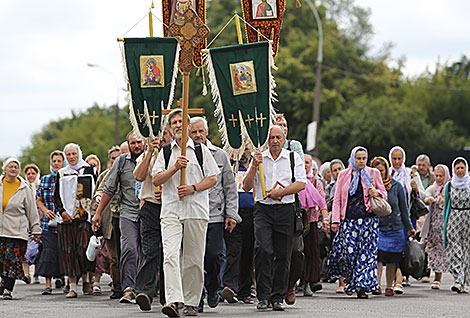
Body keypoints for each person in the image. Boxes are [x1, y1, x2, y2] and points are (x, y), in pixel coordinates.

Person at [152, 109, 219, 317]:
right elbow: (156, 179)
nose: (178, 125)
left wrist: (193, 188)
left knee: (193, 259)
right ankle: (173, 300)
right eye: (174, 122)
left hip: (196, 210)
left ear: (189, 126)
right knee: (170, 255)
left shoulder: (200, 150)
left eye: (182, 121)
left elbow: (213, 178)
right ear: (170, 128)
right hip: (171, 210)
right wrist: (174, 168)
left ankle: (191, 301)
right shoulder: (165, 152)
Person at [243, 125, 306, 311]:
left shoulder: (292, 158)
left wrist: (282, 192)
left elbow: (301, 183)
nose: (275, 141)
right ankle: (263, 296)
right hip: (263, 209)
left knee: (283, 254)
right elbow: (246, 186)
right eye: (272, 138)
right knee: (263, 249)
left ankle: (277, 296)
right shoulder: (259, 158)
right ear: (267, 139)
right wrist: (254, 166)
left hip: (286, 209)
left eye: (278, 137)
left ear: (284, 137)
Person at [189, 117, 240, 310]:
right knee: (195, 258)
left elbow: (230, 186)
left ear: (207, 132)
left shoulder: (219, 155)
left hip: (215, 214)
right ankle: (197, 297)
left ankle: (212, 287)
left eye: (201, 131)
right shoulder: (185, 155)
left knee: (214, 255)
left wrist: (231, 214)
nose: (198, 136)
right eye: (194, 132)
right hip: (193, 213)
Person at [328, 146, 386, 299]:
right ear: (353, 158)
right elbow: (337, 200)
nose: (361, 161)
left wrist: (377, 192)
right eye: (358, 158)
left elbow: (384, 194)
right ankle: (351, 282)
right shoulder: (343, 175)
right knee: (349, 253)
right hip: (349, 221)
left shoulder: (373, 173)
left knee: (366, 255)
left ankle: (361, 287)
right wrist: (335, 221)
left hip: (369, 221)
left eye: (363, 158)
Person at [93, 132, 145, 303]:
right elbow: (108, 188)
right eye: (133, 143)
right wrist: (98, 213)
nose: (136, 146)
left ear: (144, 142)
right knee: (129, 249)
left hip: (150, 212)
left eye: (139, 142)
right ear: (128, 144)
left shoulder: (154, 157)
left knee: (147, 252)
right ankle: (128, 288)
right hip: (127, 212)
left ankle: (146, 288)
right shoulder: (122, 162)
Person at [53, 143, 98, 298]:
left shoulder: (90, 170)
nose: (72, 157)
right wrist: (62, 212)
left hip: (85, 218)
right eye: (69, 154)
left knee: (83, 249)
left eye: (74, 153)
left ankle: (86, 279)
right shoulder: (62, 173)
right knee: (68, 252)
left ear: (79, 153)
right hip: (67, 220)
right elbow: (56, 196)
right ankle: (72, 287)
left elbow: (97, 191)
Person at [370, 157, 415, 297]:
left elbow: (404, 209)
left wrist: (409, 228)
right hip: (379, 228)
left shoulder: (396, 186)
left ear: (386, 170)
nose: (379, 174)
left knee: (392, 259)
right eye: (376, 171)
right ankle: (376, 285)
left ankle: (389, 286)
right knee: (378, 258)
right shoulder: (370, 187)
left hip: (395, 228)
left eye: (382, 171)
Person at [0, 158, 41, 299]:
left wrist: (36, 230)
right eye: (10, 167)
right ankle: (3, 283)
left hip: (17, 231)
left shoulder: (24, 188)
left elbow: (32, 211)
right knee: (1, 260)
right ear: (4, 169)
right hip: (0, 230)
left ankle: (7, 290)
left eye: (16, 167)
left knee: (12, 260)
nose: (13, 169)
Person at [133, 135, 166, 311]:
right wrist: (150, 153)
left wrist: (168, 191)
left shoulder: (176, 153)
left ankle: (167, 296)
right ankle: (144, 292)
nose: (161, 141)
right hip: (150, 207)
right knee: (149, 250)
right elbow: (138, 176)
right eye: (158, 138)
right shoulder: (147, 154)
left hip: (172, 206)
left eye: (164, 137)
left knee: (169, 253)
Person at [388, 145, 425, 291]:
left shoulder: (410, 173)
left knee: (405, 247)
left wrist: (416, 189)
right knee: (395, 248)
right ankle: (398, 277)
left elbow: (423, 194)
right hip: (391, 218)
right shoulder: (387, 174)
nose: (397, 161)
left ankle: (403, 275)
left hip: (408, 217)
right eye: (394, 158)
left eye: (399, 158)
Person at [92, 145, 122, 299]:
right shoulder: (106, 174)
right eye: (113, 159)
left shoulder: (133, 171)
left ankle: (132, 286)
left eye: (119, 157)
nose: (116, 161)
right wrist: (97, 199)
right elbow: (98, 191)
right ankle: (117, 287)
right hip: (110, 220)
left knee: (131, 253)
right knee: (114, 257)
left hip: (128, 217)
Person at [228, 147, 256, 304]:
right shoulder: (232, 164)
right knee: (233, 251)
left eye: (246, 149)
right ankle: (229, 287)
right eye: (241, 149)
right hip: (234, 213)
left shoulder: (256, 163)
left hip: (252, 213)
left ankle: (245, 291)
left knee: (248, 252)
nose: (244, 152)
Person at [35, 151, 66, 295]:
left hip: (65, 223)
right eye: (54, 161)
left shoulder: (68, 178)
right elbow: (39, 199)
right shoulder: (45, 179)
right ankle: (48, 284)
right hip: (47, 223)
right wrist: (45, 210)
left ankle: (64, 279)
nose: (57, 164)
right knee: (48, 251)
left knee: (64, 252)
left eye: (59, 161)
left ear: (63, 163)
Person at [300, 158, 329, 296]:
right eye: (303, 162)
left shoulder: (316, 182)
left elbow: (322, 202)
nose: (305, 165)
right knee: (296, 252)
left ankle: (307, 283)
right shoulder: (294, 180)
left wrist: (325, 219)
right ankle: (293, 282)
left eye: (307, 162)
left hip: (311, 221)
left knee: (311, 253)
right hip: (295, 222)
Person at [443, 157, 470, 293]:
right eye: (457, 168)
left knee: (467, 251)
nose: (460, 170)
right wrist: (445, 223)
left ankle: (462, 281)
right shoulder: (450, 185)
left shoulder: (469, 183)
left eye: (462, 168)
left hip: (468, 219)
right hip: (454, 219)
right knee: (455, 249)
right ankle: (458, 278)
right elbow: (447, 205)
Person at [422, 164, 450, 290]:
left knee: (449, 251)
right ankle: (437, 277)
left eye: (441, 176)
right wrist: (428, 199)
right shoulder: (433, 188)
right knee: (435, 252)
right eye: (437, 176)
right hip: (434, 227)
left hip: (448, 225)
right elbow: (426, 195)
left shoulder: (450, 188)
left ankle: (458, 278)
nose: (438, 178)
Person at [22, 163, 41, 284]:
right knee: (25, 247)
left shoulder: (40, 186)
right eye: (28, 173)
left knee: (38, 248)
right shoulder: (22, 187)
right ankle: (26, 274)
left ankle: (37, 274)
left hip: (38, 219)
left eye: (33, 173)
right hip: (24, 221)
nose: (31, 175)